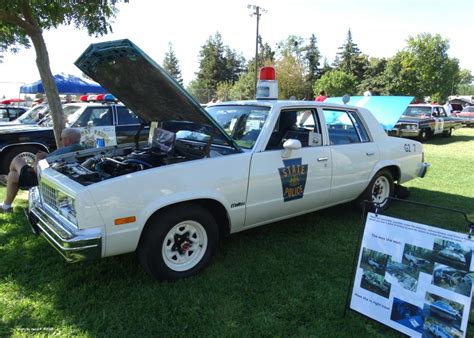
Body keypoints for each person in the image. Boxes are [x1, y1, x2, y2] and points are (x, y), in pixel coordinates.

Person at [0, 128, 83, 213]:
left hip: (42, 179)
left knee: (17, 160)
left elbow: (38, 170)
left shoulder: (63, 151)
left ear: (67, 140)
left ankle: (11, 195)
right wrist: (47, 156)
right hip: (58, 177)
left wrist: (37, 159)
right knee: (13, 176)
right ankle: (6, 206)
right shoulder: (82, 149)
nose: (61, 141)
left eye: (61, 138)